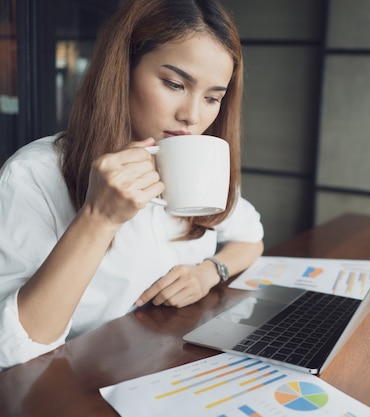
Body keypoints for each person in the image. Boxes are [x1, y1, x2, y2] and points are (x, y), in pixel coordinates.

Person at [0, 0, 264, 370]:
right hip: (71, 383)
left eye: (212, 98)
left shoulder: (194, 164)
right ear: (122, 69)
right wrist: (98, 218)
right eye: (174, 84)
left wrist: (209, 272)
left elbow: (251, 238)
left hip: (169, 367)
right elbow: (14, 349)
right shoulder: (34, 174)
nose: (192, 115)